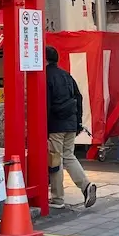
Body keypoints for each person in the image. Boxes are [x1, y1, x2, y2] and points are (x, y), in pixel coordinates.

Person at [46, 46, 96, 209]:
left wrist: (44, 127)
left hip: (56, 125)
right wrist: (78, 122)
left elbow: (45, 104)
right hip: (70, 123)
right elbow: (78, 97)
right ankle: (86, 185)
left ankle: (57, 199)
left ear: (44, 59)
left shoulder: (46, 76)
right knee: (69, 156)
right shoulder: (66, 75)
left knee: (56, 160)